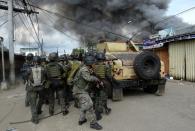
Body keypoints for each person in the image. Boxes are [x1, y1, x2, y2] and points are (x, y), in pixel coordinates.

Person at [73, 54, 103, 130]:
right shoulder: (84, 70)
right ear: (90, 63)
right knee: (90, 104)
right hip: (79, 91)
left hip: (81, 90)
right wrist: (96, 79)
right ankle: (93, 123)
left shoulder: (87, 69)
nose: (95, 65)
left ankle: (82, 119)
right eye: (94, 63)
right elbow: (88, 78)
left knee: (84, 105)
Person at [26, 56, 46, 124]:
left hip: (32, 88)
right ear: (40, 61)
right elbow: (46, 77)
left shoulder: (29, 69)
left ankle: (35, 119)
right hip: (41, 88)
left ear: (33, 61)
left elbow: (25, 77)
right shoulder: (43, 69)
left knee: (33, 104)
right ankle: (38, 110)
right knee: (41, 99)